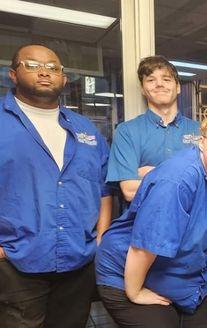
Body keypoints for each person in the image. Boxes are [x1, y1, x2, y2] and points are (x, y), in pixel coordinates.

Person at [95, 114, 207, 327]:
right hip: (130, 272)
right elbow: (145, 246)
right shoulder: (177, 180)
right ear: (201, 141)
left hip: (191, 277)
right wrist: (135, 292)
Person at [0, 44, 112, 327]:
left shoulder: (85, 129)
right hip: (16, 260)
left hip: (78, 259)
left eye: (53, 68)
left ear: (63, 78)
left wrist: (101, 236)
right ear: (13, 74)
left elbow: (102, 187)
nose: (44, 72)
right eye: (33, 65)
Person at [106, 55, 200, 203]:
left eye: (166, 79)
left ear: (178, 87)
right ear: (143, 89)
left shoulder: (201, 131)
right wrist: (187, 179)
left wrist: (153, 173)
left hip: (190, 223)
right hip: (144, 223)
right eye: (151, 80)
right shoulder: (127, 132)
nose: (159, 84)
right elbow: (129, 191)